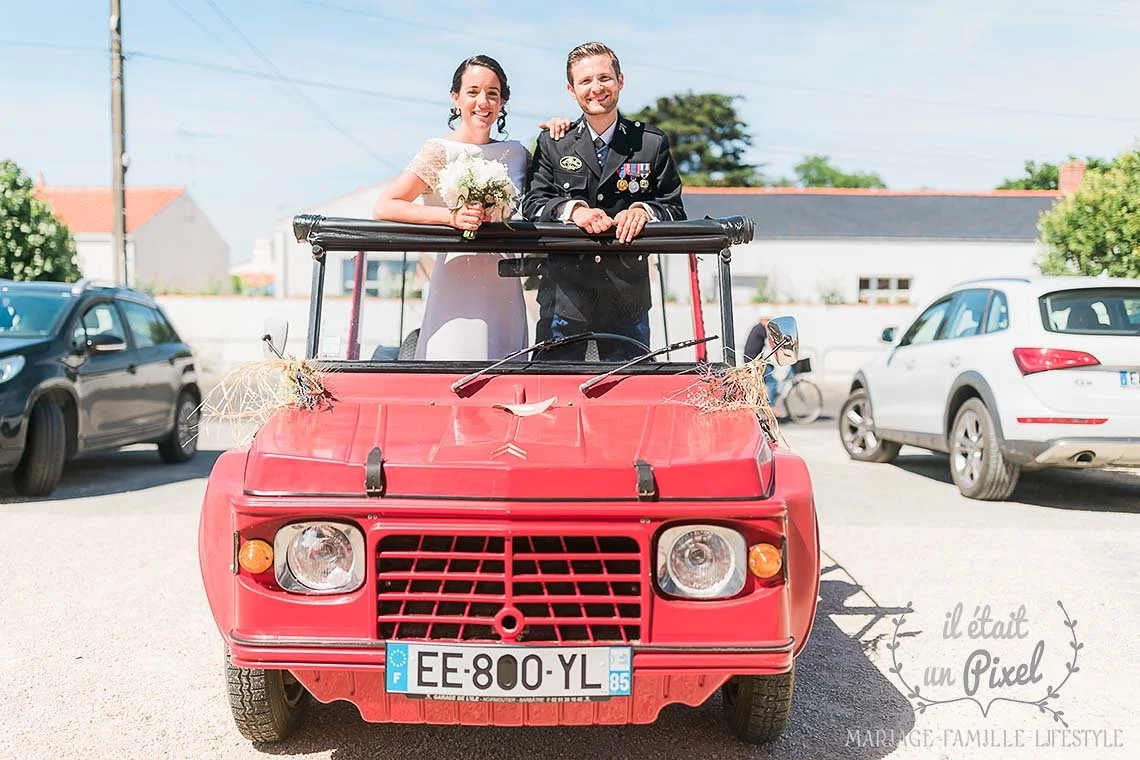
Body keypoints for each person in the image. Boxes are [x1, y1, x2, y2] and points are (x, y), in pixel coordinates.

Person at [521, 41, 686, 361]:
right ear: (571, 90)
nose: (595, 88)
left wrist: (642, 210)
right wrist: (574, 211)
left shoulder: (650, 143)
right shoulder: (555, 142)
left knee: (628, 395)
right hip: (564, 299)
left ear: (620, 81)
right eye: (585, 81)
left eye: (604, 78)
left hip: (627, 301)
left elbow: (674, 208)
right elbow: (533, 203)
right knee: (554, 394)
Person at [371, 55, 535, 361]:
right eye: (472, 92)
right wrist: (451, 217)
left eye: (492, 94)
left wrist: (558, 129)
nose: (482, 102)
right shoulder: (438, 151)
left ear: (502, 102)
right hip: (455, 284)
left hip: (504, 286)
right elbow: (385, 206)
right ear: (455, 97)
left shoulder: (517, 153)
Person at [744, 317, 780, 405]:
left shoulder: (757, 328)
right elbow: (772, 341)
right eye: (767, 320)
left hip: (752, 360)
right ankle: (771, 407)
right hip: (754, 361)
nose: (768, 322)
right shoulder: (761, 329)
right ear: (762, 320)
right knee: (772, 382)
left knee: (760, 382)